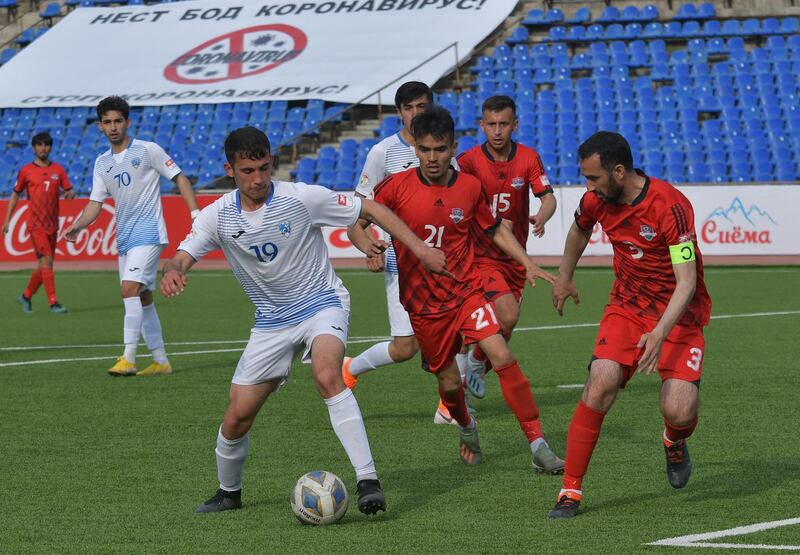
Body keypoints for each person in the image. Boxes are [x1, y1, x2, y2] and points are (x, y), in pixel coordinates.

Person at [160, 126, 448, 514]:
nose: (258, 178)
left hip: (321, 303)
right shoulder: (218, 217)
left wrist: (420, 248)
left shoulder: (301, 198)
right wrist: (174, 270)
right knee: (237, 418)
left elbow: (372, 209)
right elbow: (183, 254)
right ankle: (229, 492)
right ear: (230, 169)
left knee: (328, 375)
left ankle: (368, 482)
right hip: (270, 323)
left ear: (272, 163)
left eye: (264, 168)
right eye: (248, 171)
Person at [363, 107, 564, 472]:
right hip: (424, 305)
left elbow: (495, 229)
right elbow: (359, 220)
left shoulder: (470, 187)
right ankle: (467, 427)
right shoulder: (395, 187)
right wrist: (366, 244)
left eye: (440, 149)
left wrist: (527, 262)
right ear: (416, 151)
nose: (433, 157)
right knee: (450, 383)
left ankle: (538, 443)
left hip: (465, 291)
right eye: (425, 150)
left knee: (501, 354)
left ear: (453, 147)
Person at [548, 131, 712, 519]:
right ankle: (570, 490)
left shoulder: (670, 206)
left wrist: (659, 332)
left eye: (593, 178)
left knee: (679, 408)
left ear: (618, 172)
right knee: (600, 381)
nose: (588, 187)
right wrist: (565, 276)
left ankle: (673, 439)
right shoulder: (596, 201)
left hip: (679, 315)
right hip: (627, 307)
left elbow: (686, 283)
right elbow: (580, 229)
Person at [64, 96, 199, 377]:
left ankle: (128, 357)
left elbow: (180, 178)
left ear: (128, 122)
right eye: (107, 122)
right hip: (124, 238)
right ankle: (161, 361)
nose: (113, 127)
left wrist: (196, 213)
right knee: (143, 296)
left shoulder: (148, 150)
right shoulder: (102, 163)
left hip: (149, 232)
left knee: (128, 290)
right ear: (100, 126)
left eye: (118, 121)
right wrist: (78, 226)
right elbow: (95, 204)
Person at [456, 95, 557, 400]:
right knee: (507, 315)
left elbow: (548, 197)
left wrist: (542, 215)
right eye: (491, 124)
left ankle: (467, 375)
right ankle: (457, 389)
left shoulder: (528, 157)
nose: (497, 131)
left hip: (515, 256)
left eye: (503, 124)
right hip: (481, 254)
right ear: (482, 125)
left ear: (515, 125)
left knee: (504, 326)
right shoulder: (468, 161)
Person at [3, 132, 75, 314]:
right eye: (40, 145)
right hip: (36, 225)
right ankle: (53, 303)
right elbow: (15, 193)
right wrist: (7, 219)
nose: (43, 148)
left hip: (53, 224)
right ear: (34, 147)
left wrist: (69, 194)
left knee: (44, 266)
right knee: (47, 262)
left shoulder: (58, 170)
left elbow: (70, 190)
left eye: (47, 145)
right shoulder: (26, 170)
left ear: (50, 147)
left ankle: (26, 296)